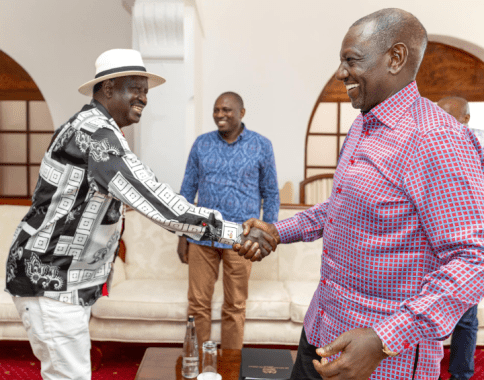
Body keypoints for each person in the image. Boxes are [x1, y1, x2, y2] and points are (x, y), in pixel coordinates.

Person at [235, 8, 484, 380]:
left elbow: (472, 260)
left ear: (395, 58)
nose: (340, 73)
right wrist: (277, 231)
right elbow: (339, 208)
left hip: (380, 360)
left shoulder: (437, 139)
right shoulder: (362, 126)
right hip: (321, 330)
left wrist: (385, 339)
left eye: (351, 60)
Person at [5, 49, 246, 380]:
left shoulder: (96, 127)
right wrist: (234, 233)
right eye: (136, 88)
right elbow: (156, 200)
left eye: (146, 90)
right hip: (51, 283)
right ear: (108, 88)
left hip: (57, 284)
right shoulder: (95, 135)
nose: (144, 98)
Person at [177, 91, 280, 349]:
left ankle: (230, 367)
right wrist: (181, 234)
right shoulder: (201, 144)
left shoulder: (261, 145)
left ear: (242, 113)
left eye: (227, 110)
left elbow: (270, 193)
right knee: (198, 304)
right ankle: (201, 362)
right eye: (216, 110)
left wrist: (268, 233)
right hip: (201, 235)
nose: (220, 115)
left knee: (235, 305)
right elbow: (187, 190)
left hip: (241, 239)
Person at [437, 96, 480, 380]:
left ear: (465, 119)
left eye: (448, 117)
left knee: (465, 316)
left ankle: (461, 375)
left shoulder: (477, 151)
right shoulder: (430, 147)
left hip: (466, 244)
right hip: (429, 245)